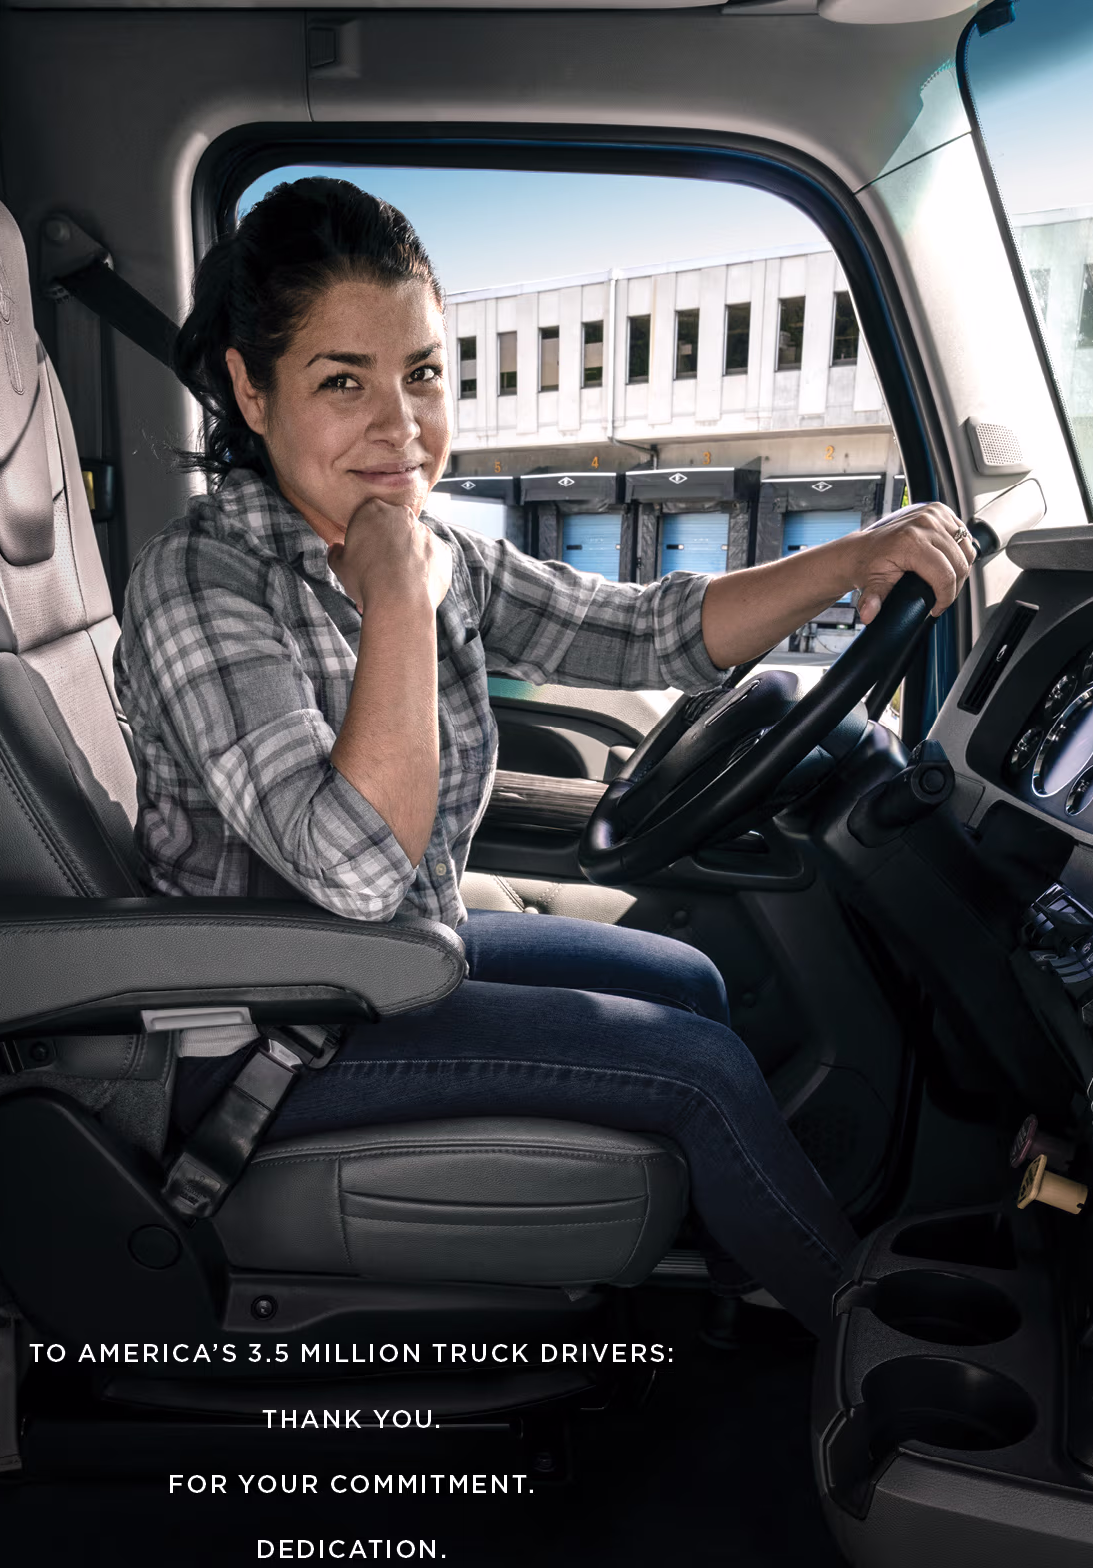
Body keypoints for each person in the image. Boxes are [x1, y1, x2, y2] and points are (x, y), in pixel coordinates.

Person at [115, 177, 977, 1335]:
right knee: (696, 1068)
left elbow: (641, 629)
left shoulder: (423, 545)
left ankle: (726, 1254)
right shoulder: (202, 579)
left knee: (694, 982)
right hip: (263, 1034)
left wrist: (848, 558)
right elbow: (360, 873)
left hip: (387, 964)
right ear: (247, 389)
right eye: (341, 381)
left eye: (422, 373)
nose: (401, 424)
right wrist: (396, 603)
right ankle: (871, 1362)